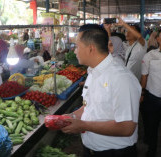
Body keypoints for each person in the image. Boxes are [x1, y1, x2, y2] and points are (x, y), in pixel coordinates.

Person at [61, 24, 141, 157]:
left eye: (77, 46)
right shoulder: (93, 71)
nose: (75, 51)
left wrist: (83, 125)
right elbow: (91, 106)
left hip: (115, 153)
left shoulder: (121, 78)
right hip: (91, 149)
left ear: (91, 48)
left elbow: (127, 127)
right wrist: (72, 116)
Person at [140, 30, 161, 157]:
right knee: (152, 127)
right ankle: (151, 150)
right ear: (157, 39)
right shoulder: (150, 55)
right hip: (153, 97)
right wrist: (142, 93)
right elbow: (144, 76)